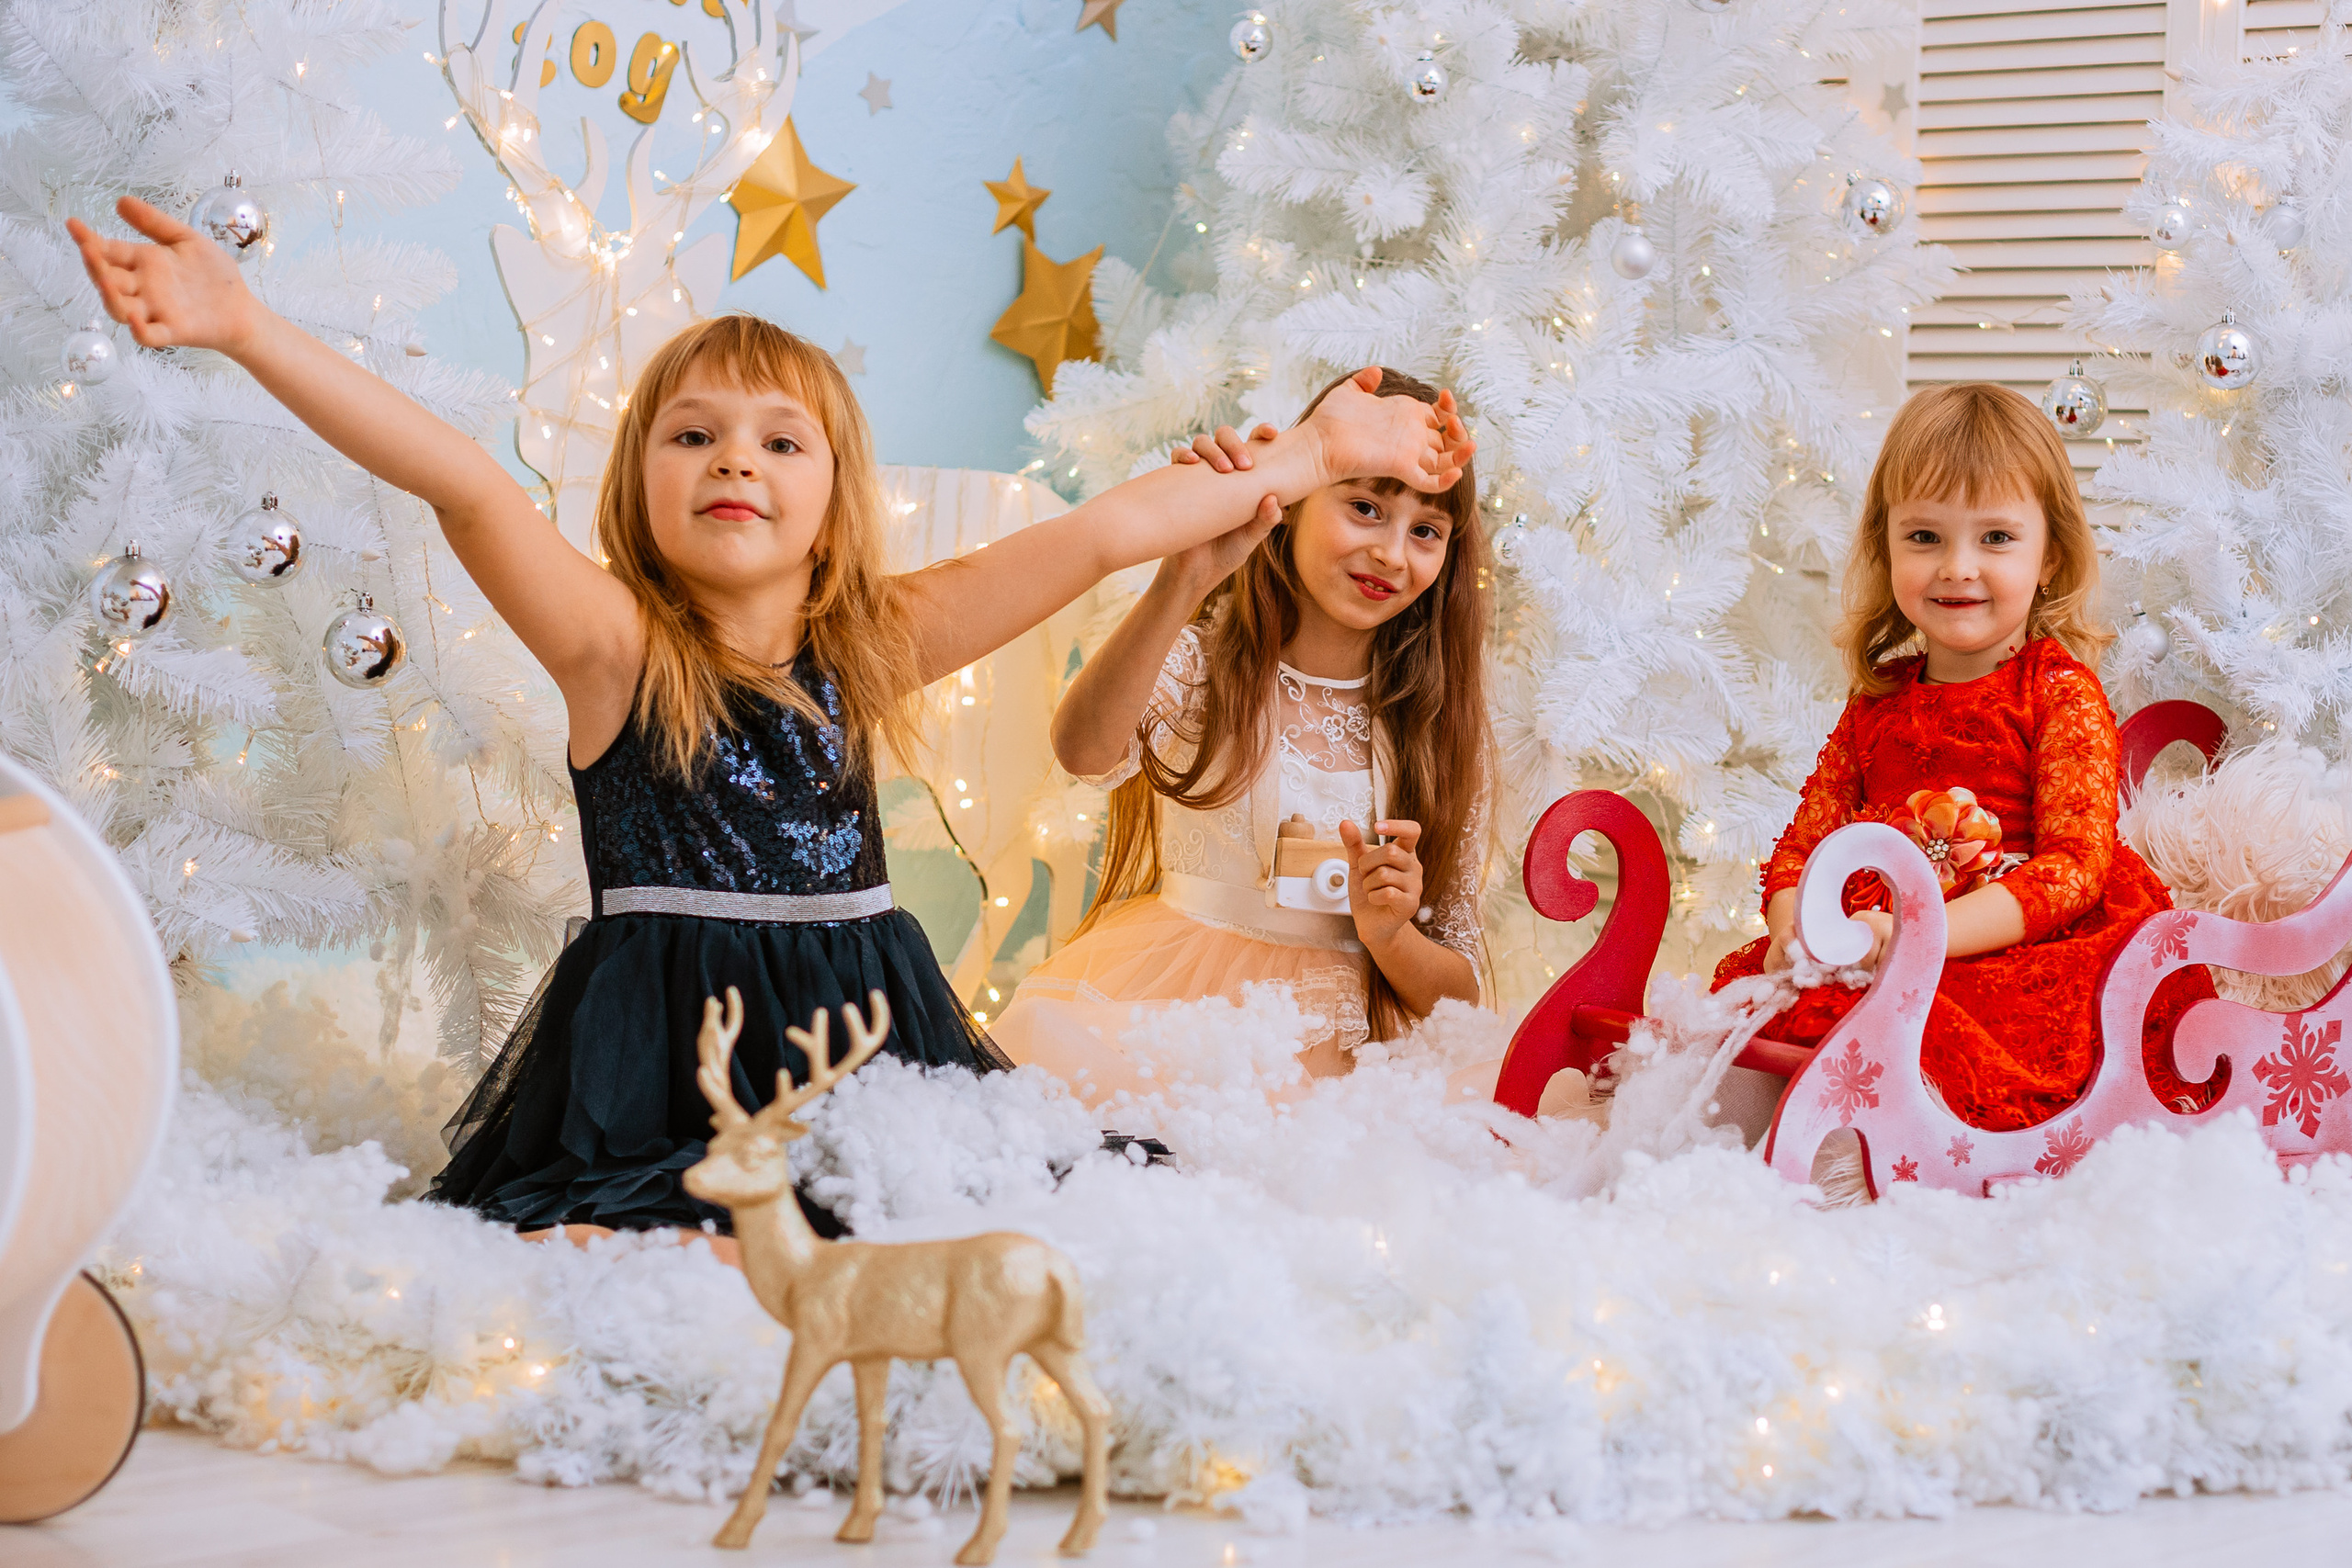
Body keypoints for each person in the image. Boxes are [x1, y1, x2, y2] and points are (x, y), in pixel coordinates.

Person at [69, 198, 1474, 1240]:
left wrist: (1312, 456)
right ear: (643, 483)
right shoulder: (614, 646)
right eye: (694, 433)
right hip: (672, 1052)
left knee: (1000, 1224)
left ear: (830, 497)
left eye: (779, 439)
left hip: (869, 1035)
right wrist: (246, 326)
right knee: (641, 1247)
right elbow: (467, 487)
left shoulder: (874, 642)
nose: (735, 454)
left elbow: (1110, 531)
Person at [1712, 382, 2214, 1130]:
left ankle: (1901, 1144)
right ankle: (1796, 1135)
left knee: (1955, 1031)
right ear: (1887, 545)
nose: (1957, 566)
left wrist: (1921, 933)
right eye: (1925, 537)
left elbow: (2075, 867)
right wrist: (1795, 926)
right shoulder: (1878, 701)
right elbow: (1802, 848)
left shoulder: (2057, 692)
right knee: (1753, 1017)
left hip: (2013, 946)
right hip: (1875, 942)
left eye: (1996, 538)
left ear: (2050, 556)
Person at [989, 370, 1492, 1104]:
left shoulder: (1434, 724)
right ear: (1289, 503)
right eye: (1364, 508)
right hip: (1187, 1026)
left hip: (1362, 1066)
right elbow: (1084, 748)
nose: (1391, 552)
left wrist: (1389, 934)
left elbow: (1459, 993)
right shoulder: (1204, 666)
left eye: (1425, 531)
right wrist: (1181, 578)